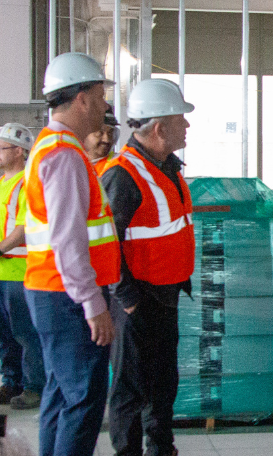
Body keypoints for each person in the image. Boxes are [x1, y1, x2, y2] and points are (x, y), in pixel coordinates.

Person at [24, 53, 121, 456]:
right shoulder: (64, 154)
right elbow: (68, 239)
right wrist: (93, 303)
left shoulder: (51, 146)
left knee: (62, 396)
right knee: (83, 400)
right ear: (82, 97)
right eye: (101, 95)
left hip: (50, 291)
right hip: (67, 296)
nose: (105, 105)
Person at [100, 79, 196, 456]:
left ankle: (161, 448)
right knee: (130, 389)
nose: (187, 126)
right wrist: (127, 299)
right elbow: (106, 243)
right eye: (181, 119)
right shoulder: (124, 175)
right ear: (159, 128)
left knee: (162, 383)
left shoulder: (166, 168)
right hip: (136, 301)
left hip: (164, 295)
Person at [0, 124, 44, 410]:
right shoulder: (1, 182)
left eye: (0, 148)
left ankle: (34, 387)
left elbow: (25, 227)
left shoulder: (28, 182)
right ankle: (11, 383)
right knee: (1, 333)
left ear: (19, 151)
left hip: (18, 271)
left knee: (26, 333)